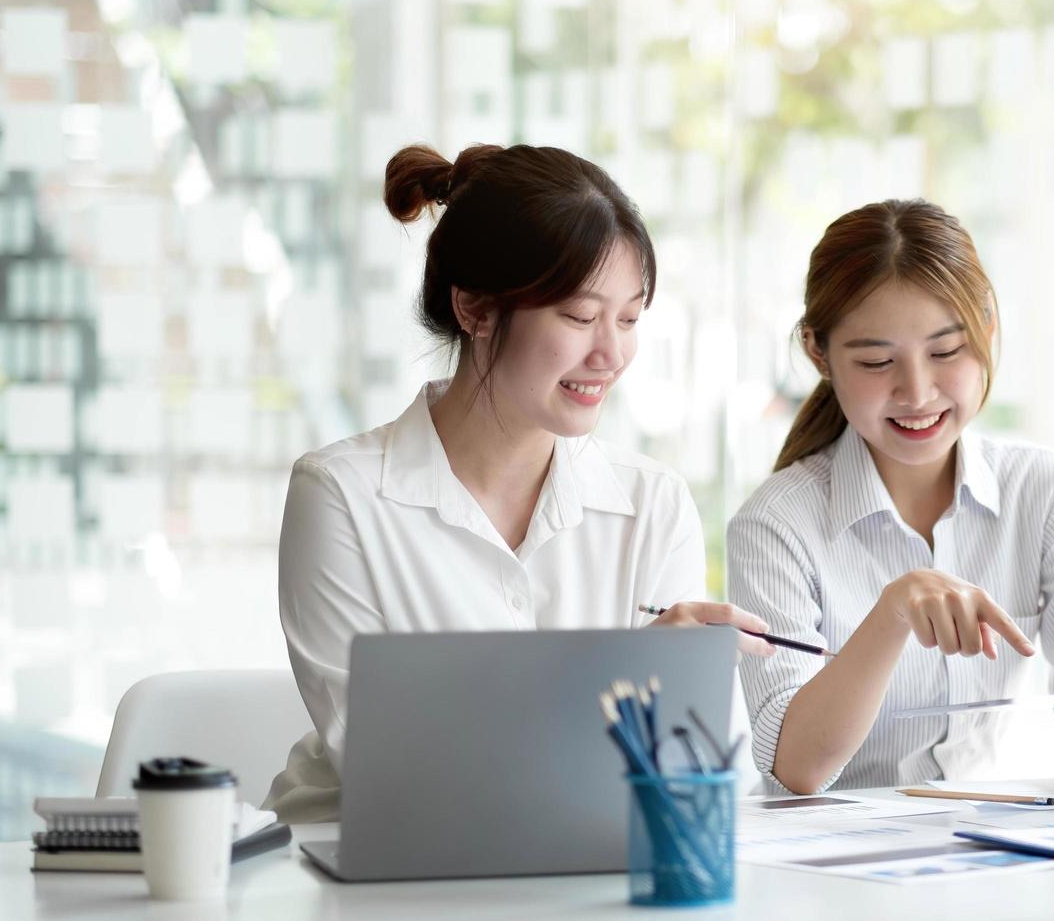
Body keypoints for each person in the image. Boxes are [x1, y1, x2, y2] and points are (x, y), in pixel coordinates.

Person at [265, 142, 772, 822]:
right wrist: (622, 689)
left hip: (584, 865)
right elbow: (393, 769)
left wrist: (682, 688)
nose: (611, 354)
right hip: (369, 870)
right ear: (474, 310)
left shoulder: (651, 504)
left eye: (629, 319)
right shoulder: (341, 497)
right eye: (579, 316)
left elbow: (711, 779)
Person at [728, 199, 1054, 795]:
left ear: (988, 330)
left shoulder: (1048, 495)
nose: (917, 391)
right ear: (819, 353)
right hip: (822, 866)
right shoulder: (776, 523)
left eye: (945, 352)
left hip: (978, 846)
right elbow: (795, 768)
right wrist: (893, 612)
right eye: (876, 360)